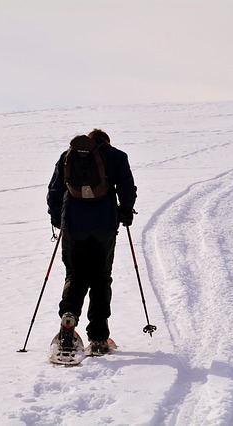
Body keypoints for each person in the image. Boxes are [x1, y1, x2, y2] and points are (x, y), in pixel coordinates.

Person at [47, 129, 137, 352]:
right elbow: (127, 189)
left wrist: (58, 218)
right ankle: (98, 337)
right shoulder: (116, 156)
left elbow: (55, 190)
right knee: (101, 279)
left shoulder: (68, 156)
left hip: (73, 227)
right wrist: (125, 213)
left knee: (75, 275)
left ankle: (69, 316)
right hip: (104, 227)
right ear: (106, 141)